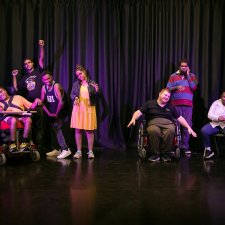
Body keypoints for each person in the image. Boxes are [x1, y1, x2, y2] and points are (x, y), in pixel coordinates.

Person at [127, 88, 197, 162]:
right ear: (160, 94)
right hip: (153, 123)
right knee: (154, 130)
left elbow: (180, 118)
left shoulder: (171, 106)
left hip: (168, 124)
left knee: (170, 131)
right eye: (165, 95)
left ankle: (165, 154)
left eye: (168, 96)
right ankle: (155, 154)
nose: (166, 97)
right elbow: (139, 112)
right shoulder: (149, 104)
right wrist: (133, 118)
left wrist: (189, 128)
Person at [12, 39, 45, 151]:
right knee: (30, 126)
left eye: (29, 62)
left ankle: (39, 148)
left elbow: (41, 58)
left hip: (38, 103)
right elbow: (16, 88)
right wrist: (14, 76)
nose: (27, 65)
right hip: (29, 105)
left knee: (39, 126)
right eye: (25, 64)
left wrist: (41, 46)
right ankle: (29, 146)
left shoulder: (38, 72)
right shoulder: (24, 77)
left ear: (32, 63)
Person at [166, 59, 198, 155]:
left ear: (188, 67)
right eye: (182, 66)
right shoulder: (173, 76)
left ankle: (185, 147)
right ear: (179, 67)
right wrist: (176, 87)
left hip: (187, 106)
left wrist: (188, 76)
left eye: (185, 66)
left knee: (187, 126)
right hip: (175, 105)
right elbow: (167, 88)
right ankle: (174, 147)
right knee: (175, 126)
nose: (183, 67)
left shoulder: (192, 76)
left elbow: (194, 87)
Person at [70, 64, 100, 159]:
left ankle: (90, 151)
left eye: (80, 73)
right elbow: (72, 94)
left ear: (85, 72)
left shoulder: (92, 83)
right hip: (78, 109)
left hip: (88, 109)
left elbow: (97, 96)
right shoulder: (76, 84)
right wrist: (75, 98)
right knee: (78, 130)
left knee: (89, 131)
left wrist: (97, 90)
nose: (79, 76)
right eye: (77, 75)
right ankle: (78, 151)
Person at [0, 86, 41, 152]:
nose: (0, 94)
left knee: (28, 120)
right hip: (8, 118)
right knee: (13, 120)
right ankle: (12, 144)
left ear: (5, 90)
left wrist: (36, 102)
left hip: (21, 116)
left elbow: (31, 106)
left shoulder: (18, 97)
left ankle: (24, 143)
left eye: (1, 91)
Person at [41, 71, 71, 159]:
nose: (46, 80)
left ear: (52, 78)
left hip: (61, 111)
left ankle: (66, 149)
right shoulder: (44, 87)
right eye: (44, 79)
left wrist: (56, 114)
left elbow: (61, 103)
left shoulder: (56, 86)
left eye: (48, 78)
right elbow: (42, 100)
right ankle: (58, 149)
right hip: (53, 112)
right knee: (53, 128)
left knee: (57, 127)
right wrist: (37, 101)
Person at [201, 91, 225, 159]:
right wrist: (218, 118)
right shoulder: (216, 103)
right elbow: (209, 115)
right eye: (224, 97)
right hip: (216, 124)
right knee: (204, 130)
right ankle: (208, 151)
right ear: (221, 96)